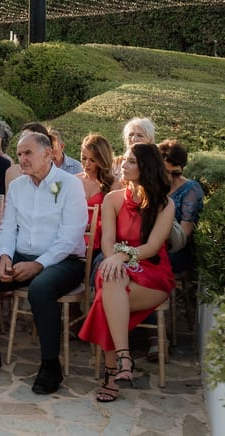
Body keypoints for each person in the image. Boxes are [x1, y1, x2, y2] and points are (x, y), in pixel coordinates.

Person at [0, 132, 87, 394]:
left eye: (28, 153)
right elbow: (8, 227)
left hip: (64, 261)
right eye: (19, 154)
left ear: (47, 153)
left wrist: (39, 264)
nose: (22, 159)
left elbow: (71, 236)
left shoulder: (70, 185)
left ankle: (50, 364)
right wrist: (5, 256)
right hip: (21, 255)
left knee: (41, 289)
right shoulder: (18, 186)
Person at [78, 142, 175, 403]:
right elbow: (107, 241)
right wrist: (114, 259)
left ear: (145, 167)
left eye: (131, 161)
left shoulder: (165, 205)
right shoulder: (113, 199)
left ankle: (113, 372)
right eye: (126, 161)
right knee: (112, 280)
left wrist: (122, 256)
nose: (124, 165)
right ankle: (123, 357)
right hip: (114, 265)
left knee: (105, 300)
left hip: (152, 272)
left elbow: (153, 247)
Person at [157, 139, 204, 274]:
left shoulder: (191, 189)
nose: (171, 178)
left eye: (176, 173)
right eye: (166, 172)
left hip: (176, 247)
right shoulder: (156, 185)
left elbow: (185, 232)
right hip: (153, 242)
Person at [76, 133, 116, 254]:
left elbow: (116, 219)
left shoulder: (114, 184)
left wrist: (91, 227)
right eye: (84, 158)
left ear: (101, 160)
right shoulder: (73, 180)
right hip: (74, 232)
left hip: (101, 237)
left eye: (92, 160)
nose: (87, 164)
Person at [3, 122, 52, 191]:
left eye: (27, 138)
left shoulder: (57, 176)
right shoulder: (13, 173)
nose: (23, 142)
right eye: (21, 138)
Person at [114, 117, 156, 181]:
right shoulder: (117, 162)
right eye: (131, 135)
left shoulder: (156, 163)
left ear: (150, 140)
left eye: (140, 135)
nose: (134, 139)